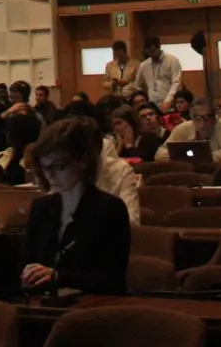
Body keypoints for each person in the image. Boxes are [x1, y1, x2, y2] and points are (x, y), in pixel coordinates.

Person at [21, 118, 130, 294]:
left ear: (83, 161)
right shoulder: (41, 207)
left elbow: (113, 281)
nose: (50, 176)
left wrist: (59, 276)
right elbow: (28, 263)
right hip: (43, 302)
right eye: (44, 168)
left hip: (92, 304)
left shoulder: (110, 209)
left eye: (58, 167)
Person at [134, 37, 184, 106]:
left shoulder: (172, 59)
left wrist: (168, 101)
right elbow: (137, 85)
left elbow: (176, 82)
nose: (153, 49)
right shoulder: (144, 65)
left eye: (155, 46)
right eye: (150, 48)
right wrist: (145, 98)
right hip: (152, 104)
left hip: (171, 102)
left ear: (159, 46)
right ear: (145, 50)